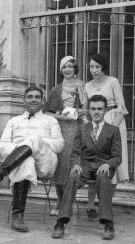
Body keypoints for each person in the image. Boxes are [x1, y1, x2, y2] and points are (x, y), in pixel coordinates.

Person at [0, 86, 64, 232]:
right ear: (24, 100)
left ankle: (0, 173)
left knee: (33, 139)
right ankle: (18, 217)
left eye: (37, 97)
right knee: (27, 161)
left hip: (45, 163)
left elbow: (59, 145)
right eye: (30, 97)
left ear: (42, 101)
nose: (33, 99)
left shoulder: (51, 120)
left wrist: (38, 143)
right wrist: (24, 149)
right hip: (22, 164)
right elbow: (2, 146)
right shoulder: (14, 121)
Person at [52, 95, 122, 240]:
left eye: (100, 109)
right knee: (72, 176)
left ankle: (108, 224)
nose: (96, 112)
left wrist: (108, 164)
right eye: (93, 109)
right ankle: (61, 222)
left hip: (103, 166)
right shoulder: (82, 129)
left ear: (106, 110)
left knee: (103, 178)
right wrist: (76, 163)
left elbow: (117, 157)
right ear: (89, 110)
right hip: (85, 166)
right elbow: (75, 152)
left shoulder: (113, 130)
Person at [84, 53, 129, 218]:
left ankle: (106, 204)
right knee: (93, 160)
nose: (94, 70)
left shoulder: (113, 81)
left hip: (114, 120)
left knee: (111, 165)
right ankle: (90, 205)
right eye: (91, 67)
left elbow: (122, 107)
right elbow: (86, 109)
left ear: (103, 68)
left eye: (97, 67)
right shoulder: (87, 86)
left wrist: (111, 130)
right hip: (96, 121)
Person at [45, 55, 87, 216]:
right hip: (58, 129)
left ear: (75, 68)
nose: (68, 69)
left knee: (70, 166)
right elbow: (47, 111)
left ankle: (67, 202)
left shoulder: (80, 86)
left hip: (75, 130)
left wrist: (75, 112)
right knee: (59, 166)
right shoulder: (56, 89)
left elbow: (86, 109)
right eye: (64, 67)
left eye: (71, 66)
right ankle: (59, 201)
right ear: (61, 69)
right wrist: (61, 117)